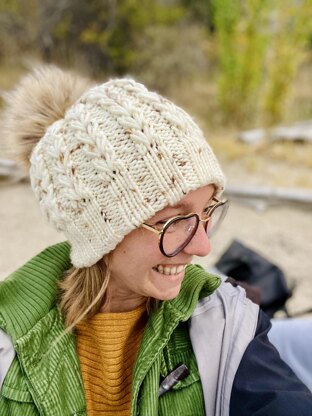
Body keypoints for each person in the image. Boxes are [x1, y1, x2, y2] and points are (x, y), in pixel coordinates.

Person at [0, 65, 311, 416]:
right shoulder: (9, 346)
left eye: (208, 211)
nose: (203, 248)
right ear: (99, 233)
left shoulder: (223, 323)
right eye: (172, 222)